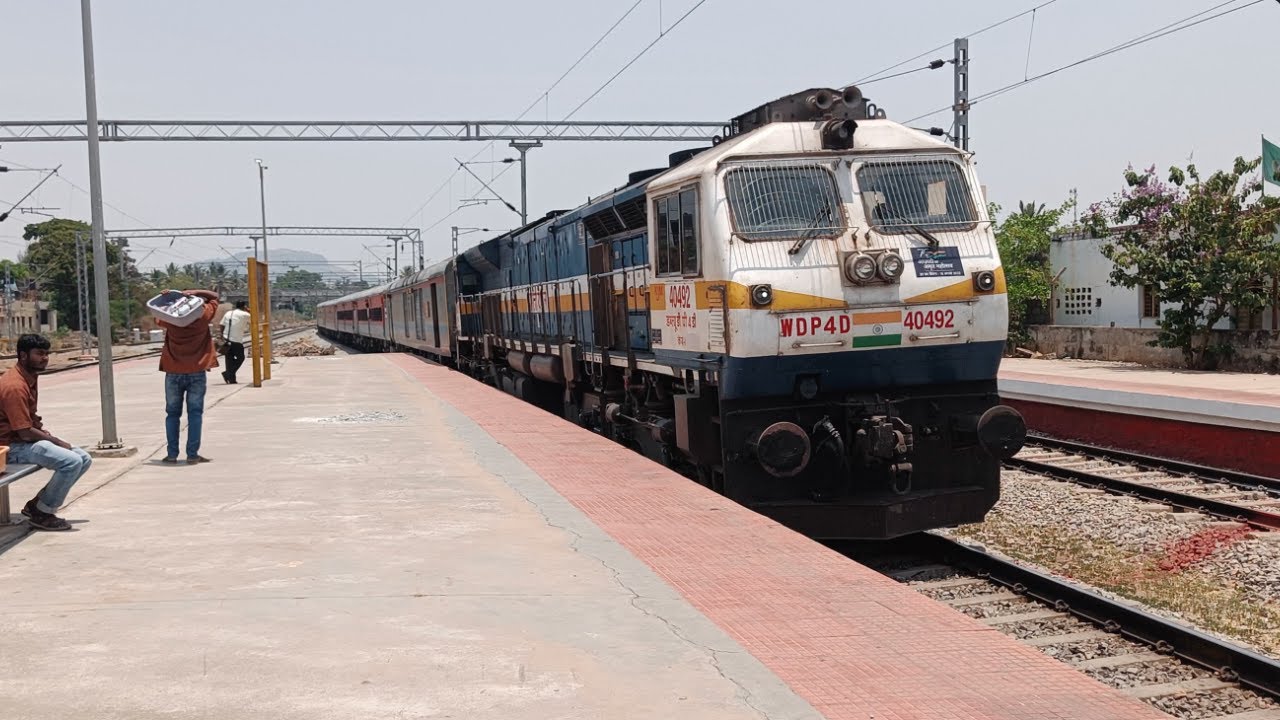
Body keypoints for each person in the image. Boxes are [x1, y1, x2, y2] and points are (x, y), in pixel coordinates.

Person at [0, 334, 93, 531]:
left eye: (46, 353)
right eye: (39, 354)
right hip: (9, 447)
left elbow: (29, 421)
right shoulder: (14, 386)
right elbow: (24, 432)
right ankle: (42, 513)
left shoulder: (29, 376)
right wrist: (56, 441)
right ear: (23, 356)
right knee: (71, 461)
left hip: (21, 441)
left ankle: (37, 505)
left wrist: (46, 435)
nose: (45, 358)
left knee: (83, 458)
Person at [158, 288, 219, 464]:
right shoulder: (203, 316)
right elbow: (214, 297)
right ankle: (192, 455)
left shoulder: (169, 319)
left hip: (173, 372)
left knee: (172, 414)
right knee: (195, 414)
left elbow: (157, 311)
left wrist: (169, 296)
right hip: (196, 372)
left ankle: (172, 455)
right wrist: (195, 292)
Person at [220, 300, 250, 384]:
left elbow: (221, 325)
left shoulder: (228, 313)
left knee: (229, 360)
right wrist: (249, 311)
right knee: (241, 358)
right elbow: (255, 320)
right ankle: (227, 374)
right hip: (236, 340)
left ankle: (232, 379)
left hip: (226, 339)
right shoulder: (245, 314)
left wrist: (222, 336)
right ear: (244, 306)